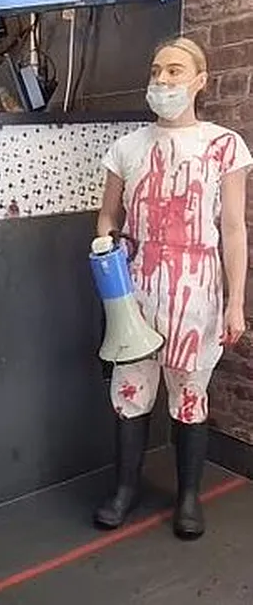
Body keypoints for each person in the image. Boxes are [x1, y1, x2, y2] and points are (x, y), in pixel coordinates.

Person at [94, 37, 252, 540]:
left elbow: (233, 229)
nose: (162, 80)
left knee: (189, 395)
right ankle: (125, 489)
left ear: (200, 80)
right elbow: (108, 215)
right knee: (130, 391)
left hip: (196, 290)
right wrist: (106, 247)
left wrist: (235, 302)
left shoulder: (224, 145)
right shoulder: (127, 148)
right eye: (156, 70)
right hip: (136, 291)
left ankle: (188, 497)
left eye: (175, 71)